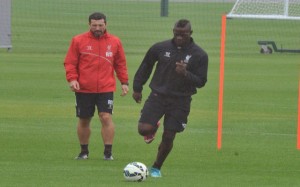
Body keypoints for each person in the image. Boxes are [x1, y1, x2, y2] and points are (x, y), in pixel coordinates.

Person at [132, 19, 208, 177]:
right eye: (176, 33)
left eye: (183, 34)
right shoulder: (160, 47)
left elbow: (201, 81)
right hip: (157, 96)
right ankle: (154, 125)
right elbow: (146, 66)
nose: (179, 37)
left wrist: (185, 74)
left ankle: (156, 168)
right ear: (173, 31)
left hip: (181, 100)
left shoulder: (199, 55)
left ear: (190, 33)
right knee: (143, 129)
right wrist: (137, 87)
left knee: (169, 135)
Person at [64, 12, 129, 160]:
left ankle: (108, 153)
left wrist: (124, 82)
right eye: (94, 25)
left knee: (105, 117)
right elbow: (70, 62)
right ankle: (84, 151)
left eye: (100, 25)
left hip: (106, 88)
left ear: (106, 24)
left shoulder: (115, 42)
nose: (97, 28)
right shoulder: (78, 41)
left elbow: (120, 64)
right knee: (84, 119)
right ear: (89, 25)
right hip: (84, 88)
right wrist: (72, 79)